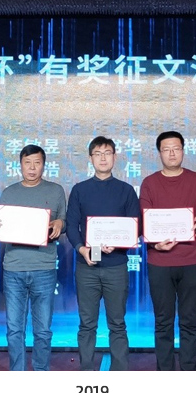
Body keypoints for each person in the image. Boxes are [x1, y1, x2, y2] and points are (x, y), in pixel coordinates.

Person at [139, 131, 196, 371]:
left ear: (183, 150)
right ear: (159, 153)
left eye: (176, 148)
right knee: (163, 322)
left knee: (190, 321)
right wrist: (155, 244)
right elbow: (144, 220)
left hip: (192, 260)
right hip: (159, 262)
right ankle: (165, 373)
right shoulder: (149, 183)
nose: (172, 153)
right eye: (166, 149)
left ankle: (188, 371)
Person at [66, 136, 141, 371]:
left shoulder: (126, 190)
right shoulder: (79, 190)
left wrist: (117, 244)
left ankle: (119, 372)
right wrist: (82, 249)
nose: (103, 158)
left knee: (117, 324)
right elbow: (71, 226)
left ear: (114, 157)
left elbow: (135, 225)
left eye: (107, 153)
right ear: (91, 159)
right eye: (97, 154)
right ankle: (87, 371)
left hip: (116, 265)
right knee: (87, 324)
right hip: (87, 265)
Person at [0, 144, 66, 371]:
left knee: (43, 330)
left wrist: (60, 223)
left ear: (44, 165)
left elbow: (64, 222)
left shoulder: (55, 191)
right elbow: (4, 225)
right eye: (28, 163)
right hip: (14, 268)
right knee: (14, 329)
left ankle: (40, 372)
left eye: (37, 163)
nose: (32, 168)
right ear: (20, 165)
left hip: (44, 267)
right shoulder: (9, 192)